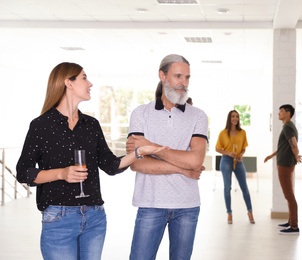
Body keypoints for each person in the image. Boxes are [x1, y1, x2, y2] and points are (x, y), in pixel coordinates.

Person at [16, 62, 166, 260]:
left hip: (94, 217)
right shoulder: (41, 125)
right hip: (58, 218)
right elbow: (23, 172)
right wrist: (61, 173)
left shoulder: (91, 125)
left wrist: (139, 152)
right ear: (68, 83)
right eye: (84, 77)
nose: (90, 83)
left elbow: (111, 165)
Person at [126, 54, 208, 260]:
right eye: (178, 76)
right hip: (150, 203)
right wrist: (182, 168)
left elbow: (196, 161)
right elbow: (136, 163)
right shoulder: (140, 114)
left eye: (187, 77)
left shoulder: (198, 116)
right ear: (162, 76)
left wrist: (152, 148)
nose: (184, 83)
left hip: (187, 206)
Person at [264, 104, 302, 235]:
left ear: (288, 113)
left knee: (289, 195)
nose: (278, 113)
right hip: (285, 163)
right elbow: (284, 146)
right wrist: (271, 156)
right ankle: (290, 221)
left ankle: (294, 226)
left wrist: (296, 155)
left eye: (281, 111)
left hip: (285, 165)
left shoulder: (287, 127)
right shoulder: (288, 126)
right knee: (288, 195)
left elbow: (293, 143)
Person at [215, 110, 255, 224]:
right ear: (229, 118)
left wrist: (241, 155)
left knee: (244, 187)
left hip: (238, 161)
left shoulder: (242, 132)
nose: (235, 118)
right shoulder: (223, 133)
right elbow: (217, 149)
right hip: (226, 160)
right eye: (233, 116)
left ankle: (250, 211)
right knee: (227, 187)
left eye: (237, 116)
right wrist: (228, 153)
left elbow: (243, 148)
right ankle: (229, 213)